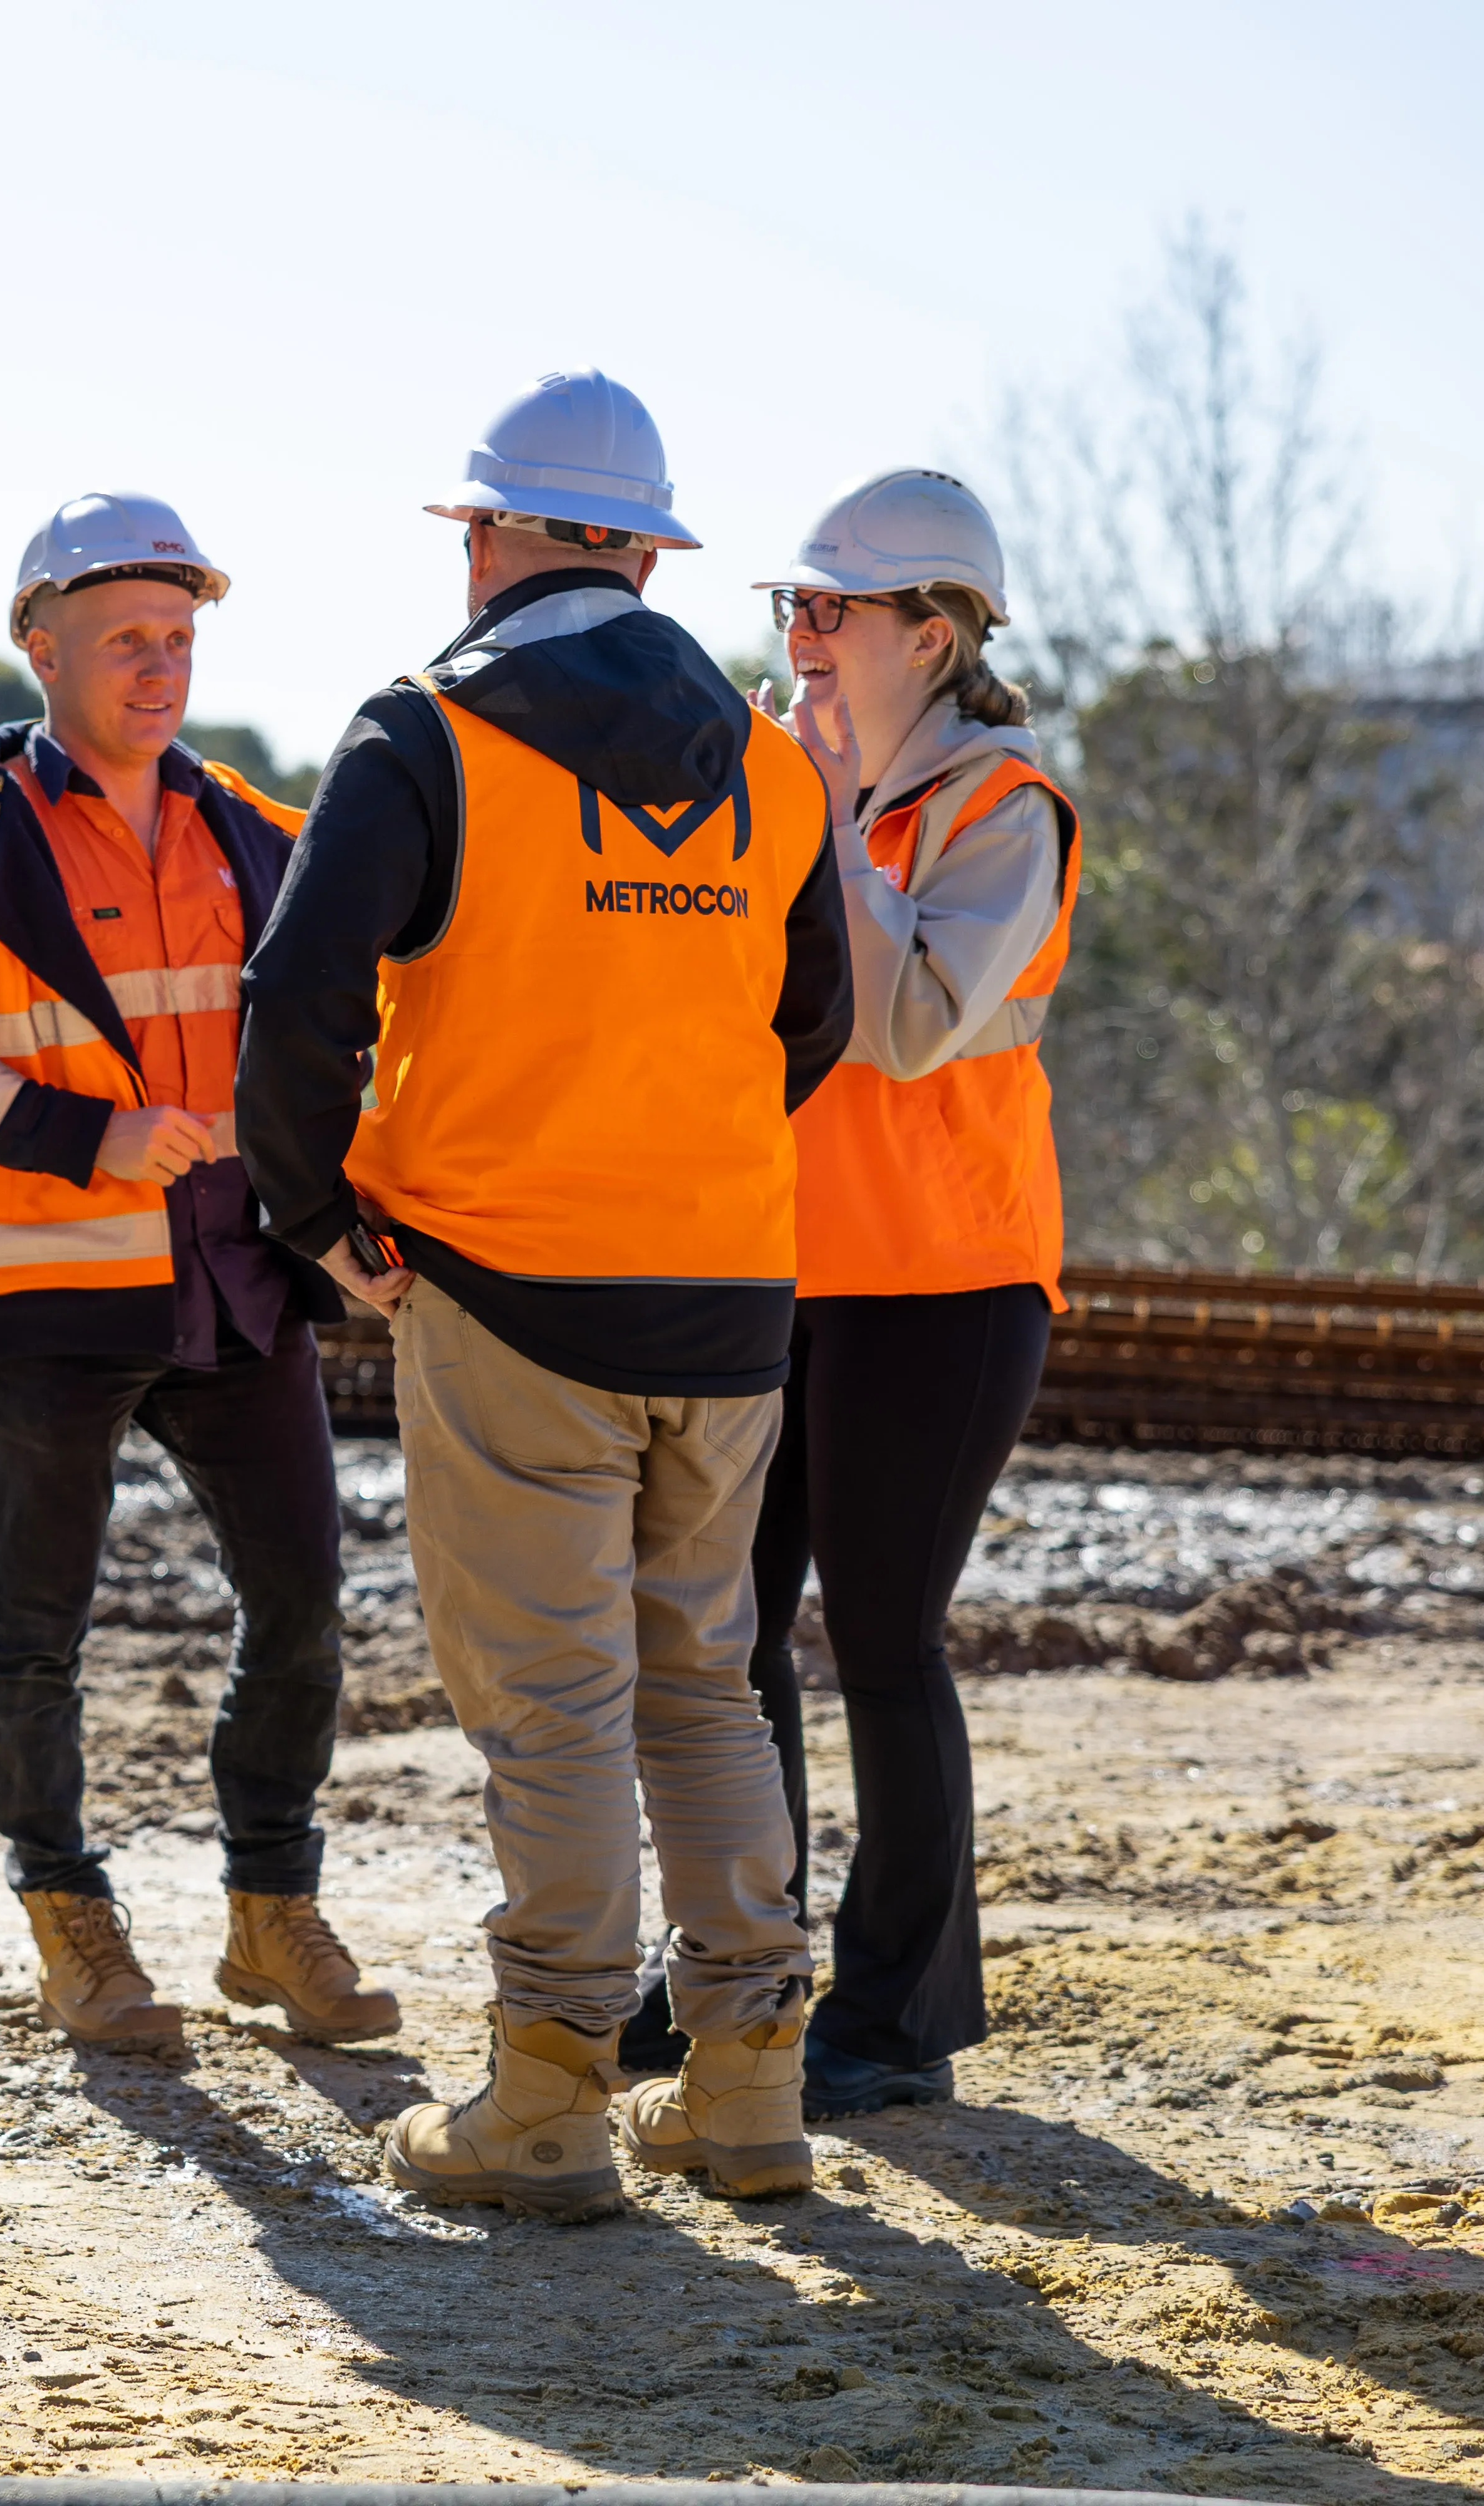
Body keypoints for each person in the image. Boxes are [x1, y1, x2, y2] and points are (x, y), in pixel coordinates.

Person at [239, 373, 852, 2217]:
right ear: (649, 549)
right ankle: (748, 2088)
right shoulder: (767, 764)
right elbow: (808, 1027)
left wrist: (314, 1216)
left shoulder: (423, 732)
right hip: (733, 1295)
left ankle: (549, 2100)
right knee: (707, 1688)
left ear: (486, 534)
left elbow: (297, 1009)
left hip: (509, 1288)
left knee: (557, 1708)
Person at [0, 491, 392, 2055]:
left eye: (179, 636)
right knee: (39, 1624)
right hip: (42, 1293)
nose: (160, 668)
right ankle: (68, 1916)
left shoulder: (254, 829)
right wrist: (89, 1137)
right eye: (124, 641)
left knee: (300, 1599)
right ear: (41, 645)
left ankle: (269, 1910)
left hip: (232, 1277)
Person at [696, 467, 1074, 2119]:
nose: (801, 638)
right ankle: (746, 1976)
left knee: (883, 1639)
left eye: (830, 610)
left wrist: (834, 822)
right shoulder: (800, 797)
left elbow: (908, 1022)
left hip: (945, 1283)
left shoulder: (1008, 814)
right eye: (792, 607)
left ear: (935, 634)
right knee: (728, 1636)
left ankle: (898, 2020)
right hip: (777, 1273)